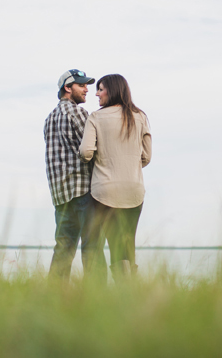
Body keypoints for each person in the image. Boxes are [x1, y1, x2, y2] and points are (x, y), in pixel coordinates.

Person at [79, 74, 152, 281]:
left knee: (104, 242)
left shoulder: (96, 117)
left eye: (100, 89)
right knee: (126, 245)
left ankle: (106, 294)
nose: (96, 93)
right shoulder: (140, 117)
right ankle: (128, 293)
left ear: (111, 90)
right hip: (134, 191)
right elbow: (146, 157)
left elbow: (85, 152)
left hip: (105, 191)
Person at [44, 69, 107, 282]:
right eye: (81, 85)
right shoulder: (78, 113)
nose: (87, 89)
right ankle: (96, 298)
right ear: (67, 88)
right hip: (83, 190)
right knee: (92, 246)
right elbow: (92, 148)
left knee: (63, 247)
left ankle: (54, 297)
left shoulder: (49, 118)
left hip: (60, 195)